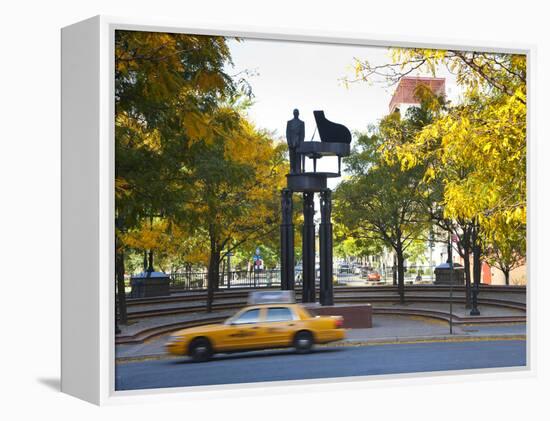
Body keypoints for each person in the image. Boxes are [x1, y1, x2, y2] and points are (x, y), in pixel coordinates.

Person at [286, 109, 305, 174]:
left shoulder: (302, 123)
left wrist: (301, 142)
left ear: (298, 114)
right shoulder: (289, 122)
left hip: (298, 142)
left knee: (298, 157)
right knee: (292, 157)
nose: (296, 113)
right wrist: (289, 142)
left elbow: (303, 134)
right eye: (295, 112)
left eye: (297, 112)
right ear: (293, 113)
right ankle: (292, 170)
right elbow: (287, 133)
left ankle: (298, 169)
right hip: (291, 142)